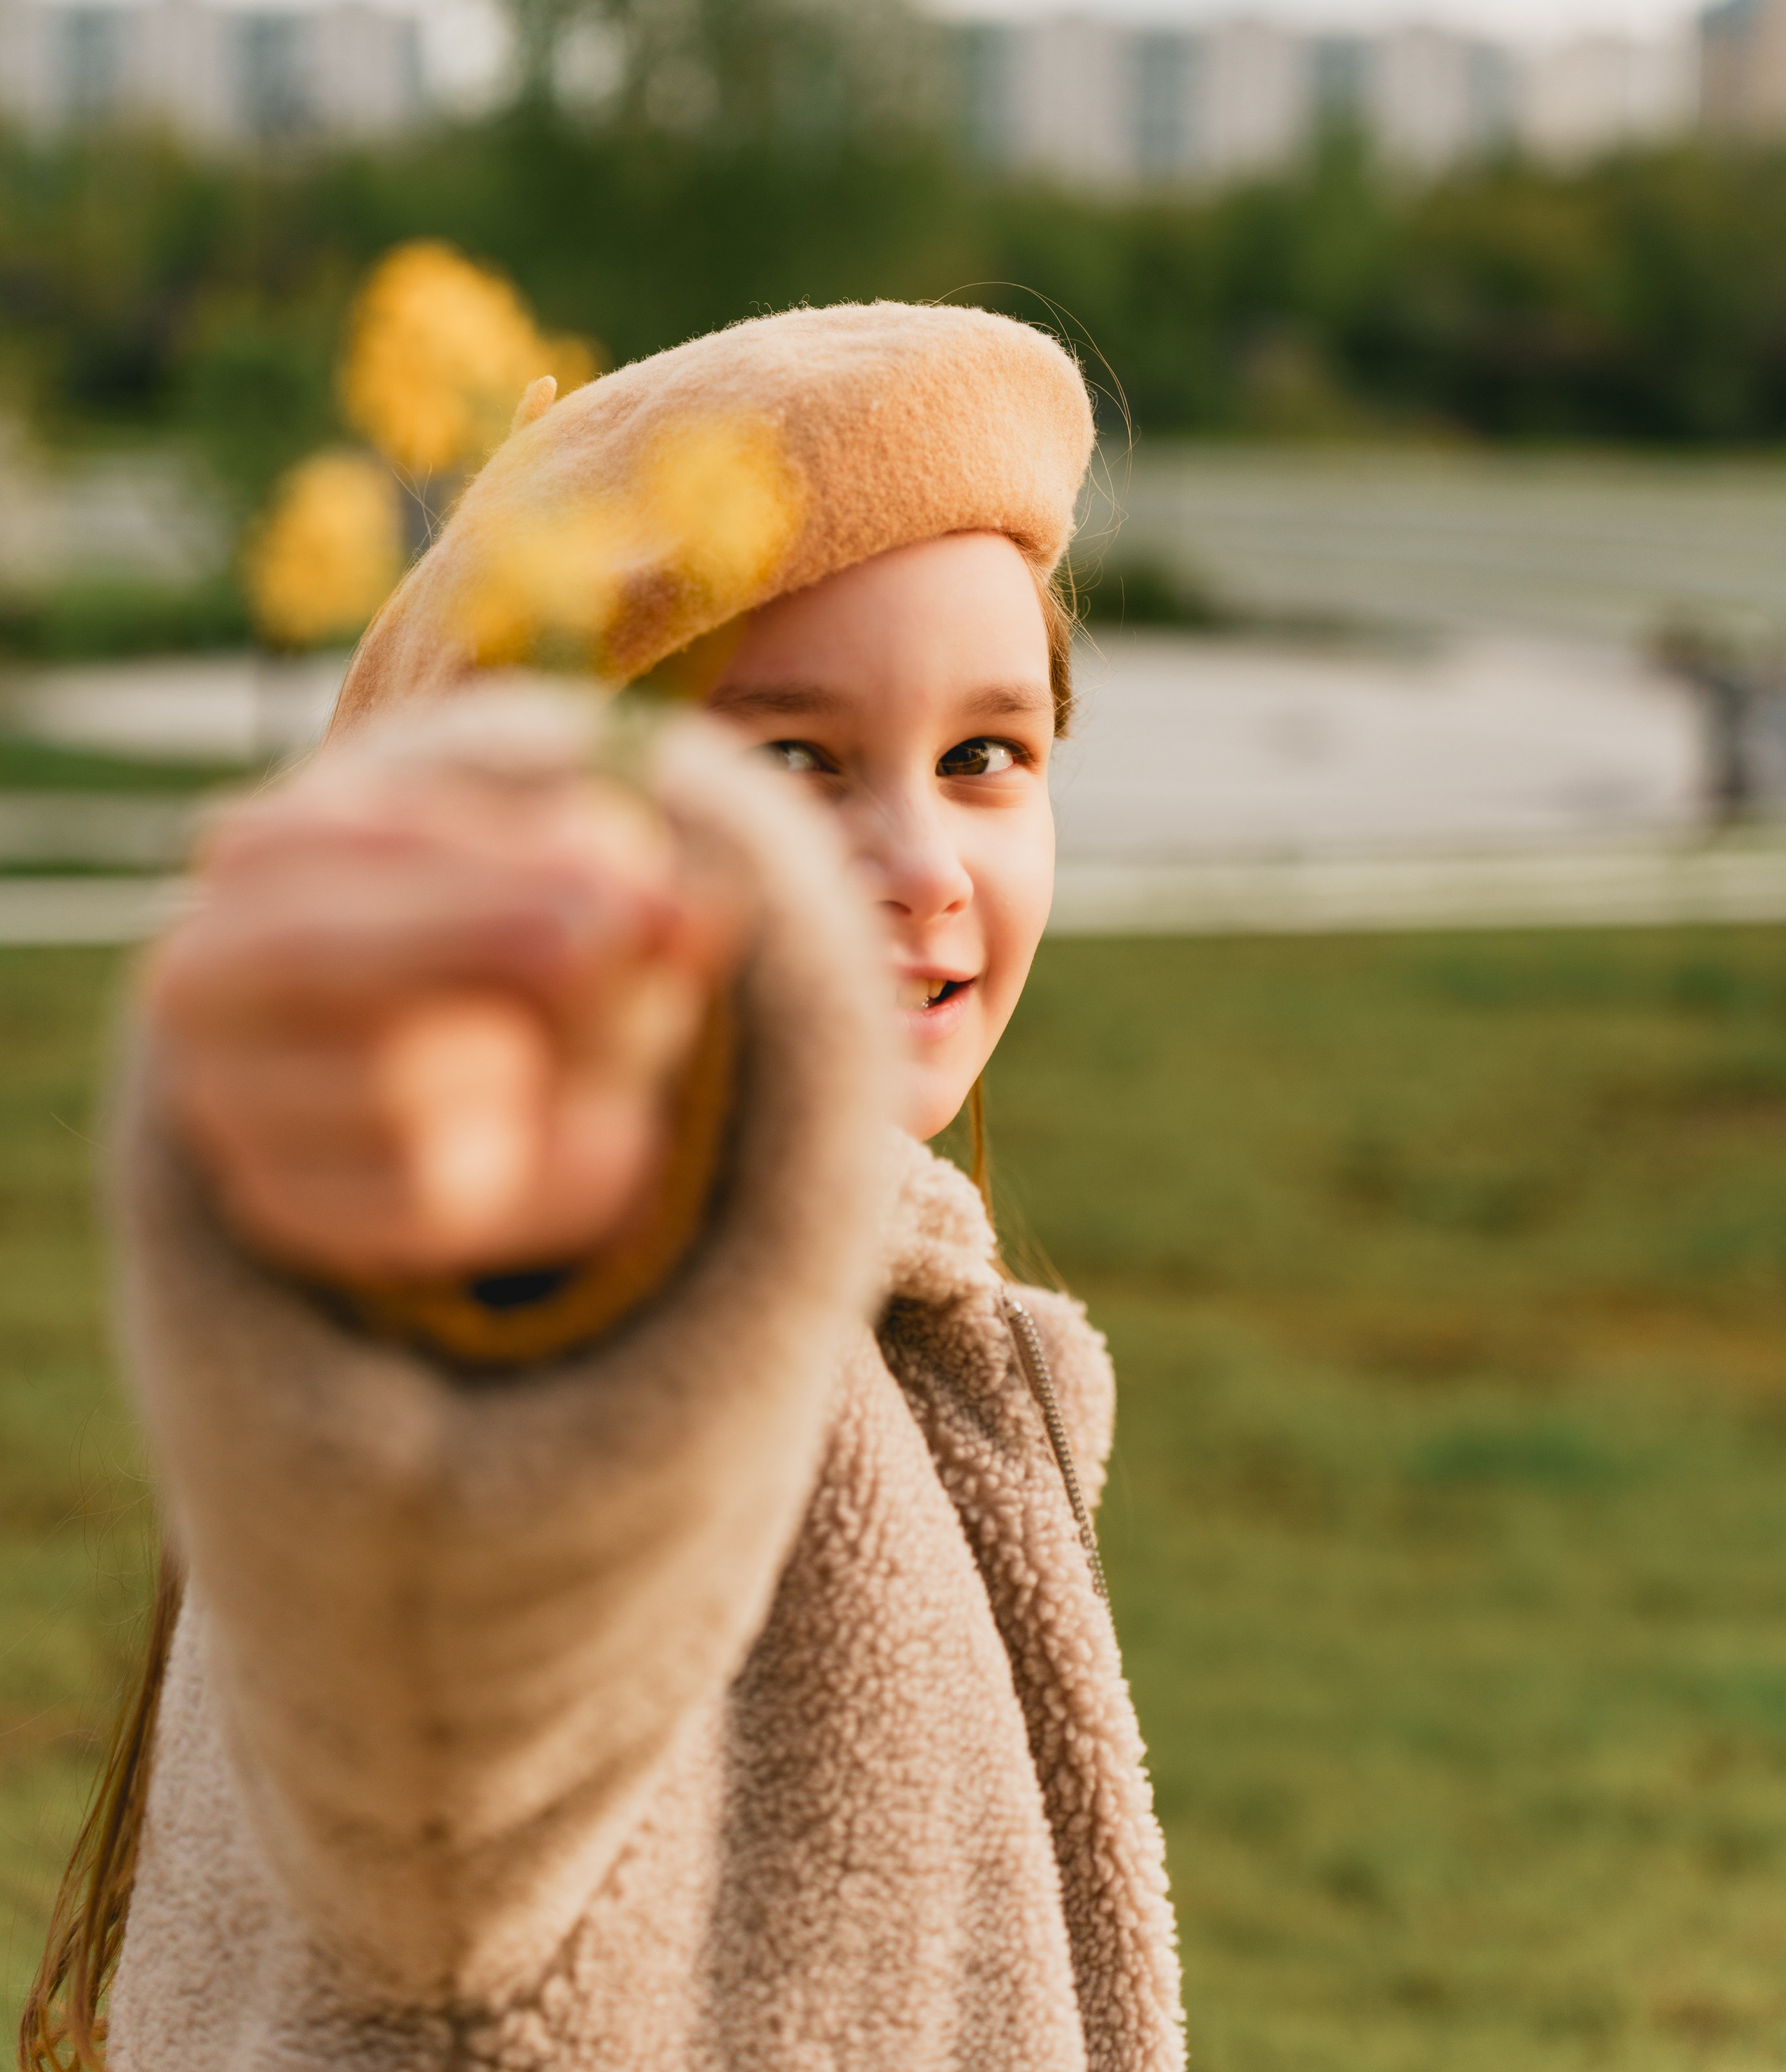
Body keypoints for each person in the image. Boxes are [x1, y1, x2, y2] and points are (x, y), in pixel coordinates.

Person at [24, 299, 1185, 2072]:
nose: (923, 867)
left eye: (983, 758)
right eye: (791, 763)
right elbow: (452, 1638)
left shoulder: (885, 1326)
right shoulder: (600, 1329)